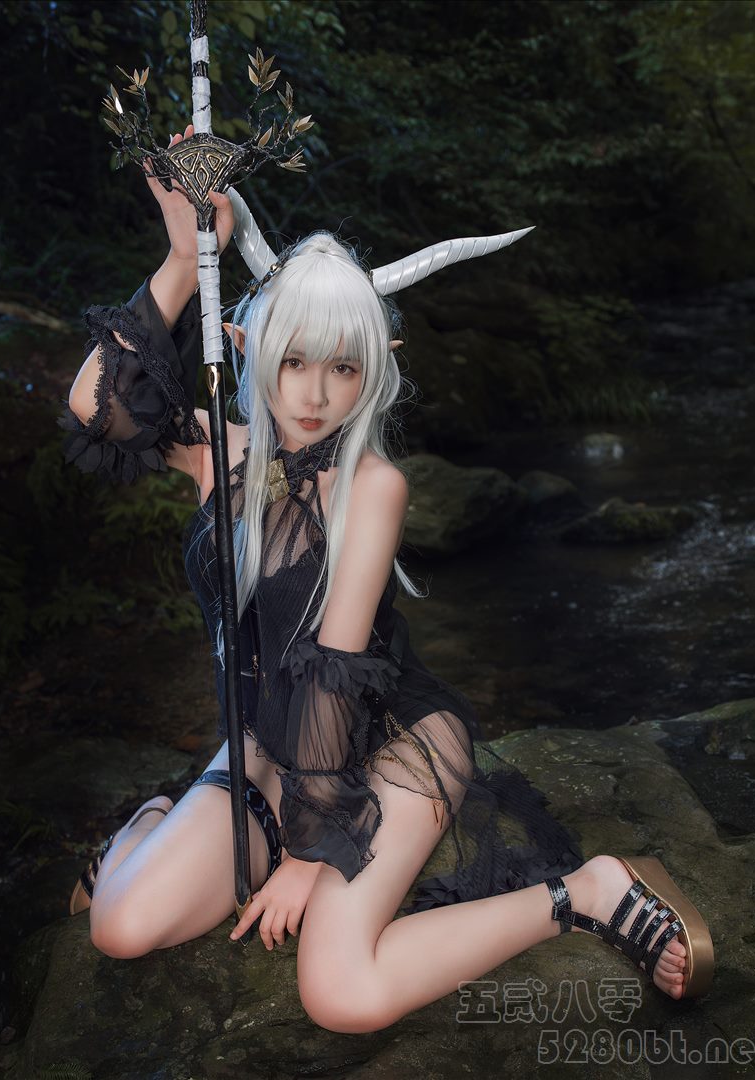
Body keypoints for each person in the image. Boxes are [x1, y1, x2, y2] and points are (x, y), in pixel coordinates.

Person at [61, 126, 713, 1034]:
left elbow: (336, 669)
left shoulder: (372, 486)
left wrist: (309, 856)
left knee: (341, 993)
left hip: (393, 739)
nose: (313, 394)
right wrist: (180, 260)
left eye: (342, 367)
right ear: (249, 345)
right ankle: (152, 820)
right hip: (265, 748)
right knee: (120, 927)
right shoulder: (219, 450)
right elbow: (94, 406)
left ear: (375, 368)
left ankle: (587, 893)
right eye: (293, 359)